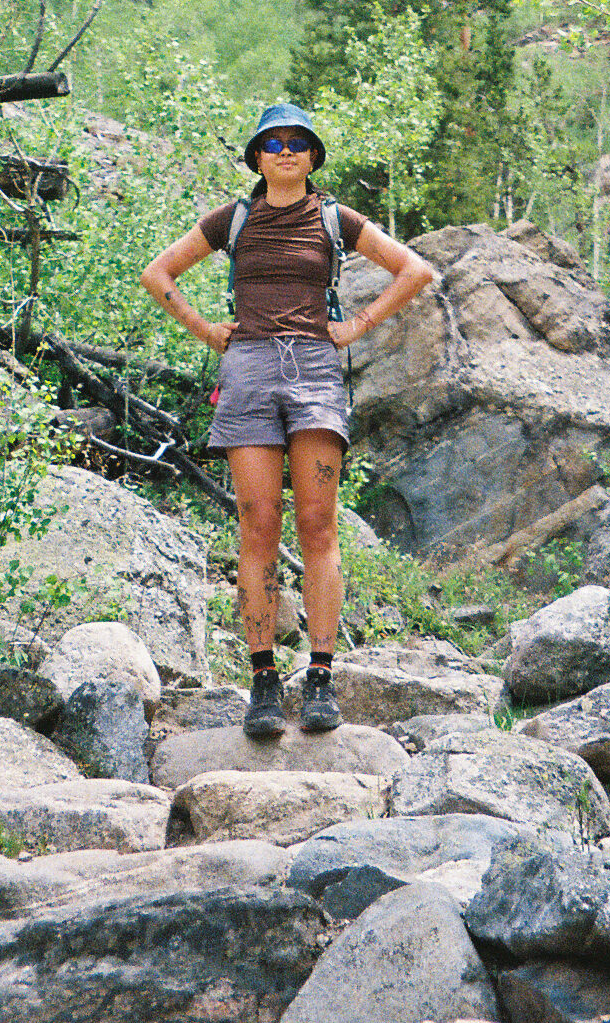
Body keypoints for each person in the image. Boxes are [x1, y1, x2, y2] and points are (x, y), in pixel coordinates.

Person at [141, 101, 435, 738]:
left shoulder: (335, 218)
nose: (284, 150)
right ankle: (264, 681)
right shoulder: (234, 220)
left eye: (296, 141)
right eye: (271, 142)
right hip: (246, 370)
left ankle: (322, 677)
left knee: (317, 523)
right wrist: (205, 329)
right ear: (256, 157)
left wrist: (356, 326)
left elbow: (416, 269)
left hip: (314, 369)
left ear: (312, 155)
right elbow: (157, 273)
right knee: (258, 526)